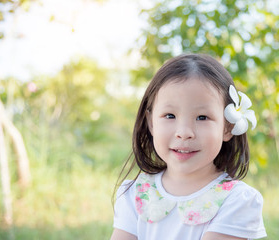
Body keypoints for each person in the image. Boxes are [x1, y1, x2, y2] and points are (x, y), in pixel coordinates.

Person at [110, 53, 267, 240]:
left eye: (202, 117)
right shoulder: (134, 194)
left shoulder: (236, 201)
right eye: (170, 115)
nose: (184, 132)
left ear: (228, 127)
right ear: (151, 122)